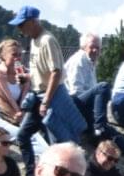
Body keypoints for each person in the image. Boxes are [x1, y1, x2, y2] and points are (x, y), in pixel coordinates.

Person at [15, 8, 84, 152]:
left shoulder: (47, 40)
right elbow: (42, 71)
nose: (19, 28)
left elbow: (56, 72)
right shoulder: (34, 40)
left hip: (52, 96)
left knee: (61, 142)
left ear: (33, 21)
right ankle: (31, 174)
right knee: (23, 136)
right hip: (38, 95)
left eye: (22, 24)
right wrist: (27, 77)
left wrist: (46, 101)